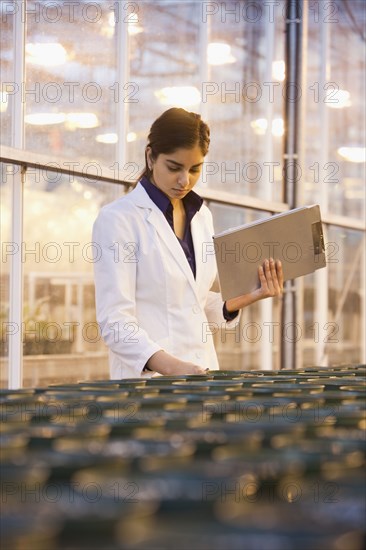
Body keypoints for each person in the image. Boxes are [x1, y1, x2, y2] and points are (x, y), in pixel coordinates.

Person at [92, 108, 283, 379]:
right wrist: (170, 366)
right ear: (150, 156)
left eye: (195, 169)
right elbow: (115, 322)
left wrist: (243, 298)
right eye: (174, 168)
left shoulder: (201, 217)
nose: (185, 180)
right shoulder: (118, 220)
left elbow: (194, 302)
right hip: (150, 384)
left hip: (200, 374)